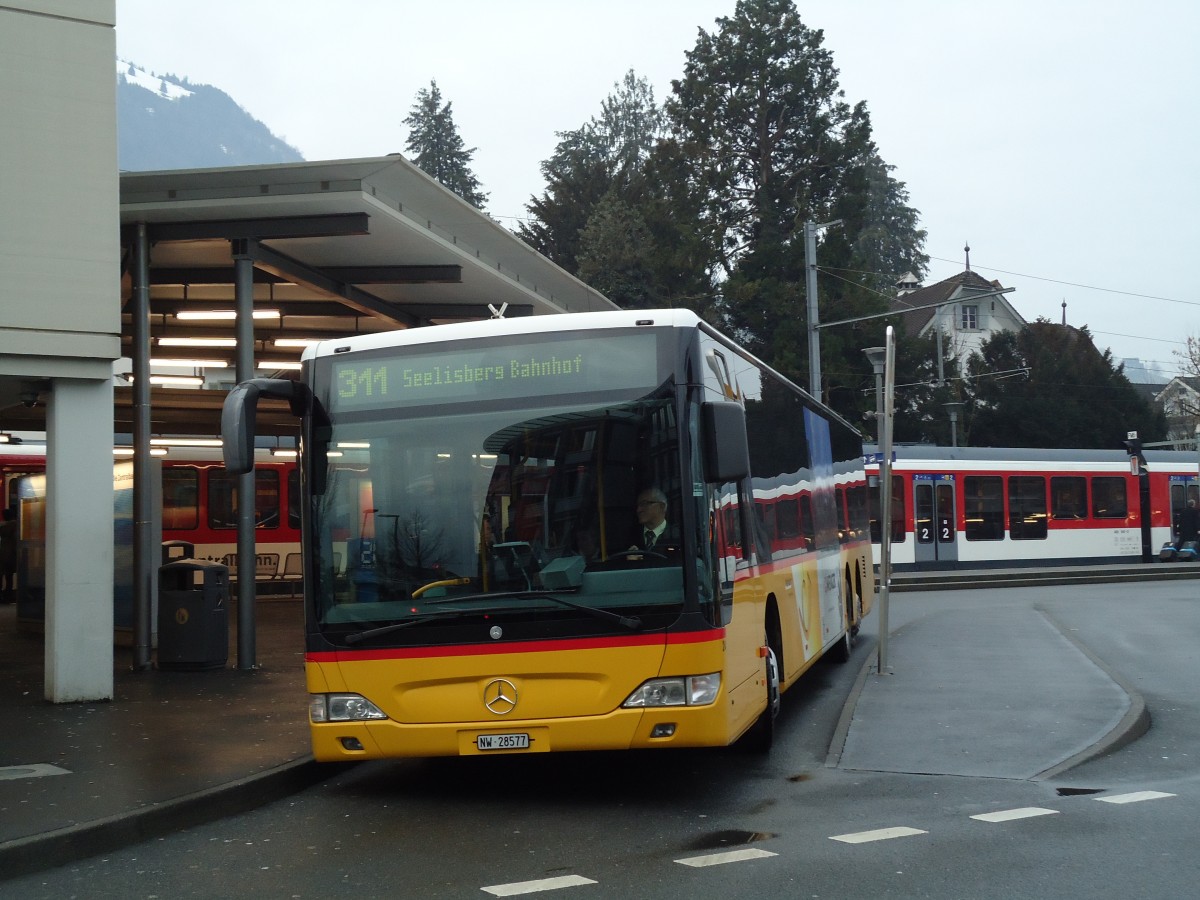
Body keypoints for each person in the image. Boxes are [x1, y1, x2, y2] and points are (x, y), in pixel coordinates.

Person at [633, 487, 670, 552]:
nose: (638, 510)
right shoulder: (630, 536)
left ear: (662, 506)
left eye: (644, 504)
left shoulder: (678, 535)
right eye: (637, 505)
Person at [0, 507, 16, 603]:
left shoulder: (5, 527)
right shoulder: (16, 525)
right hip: (11, 555)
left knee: (2, 576)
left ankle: (4, 596)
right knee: (9, 577)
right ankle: (8, 596)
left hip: (4, 554)